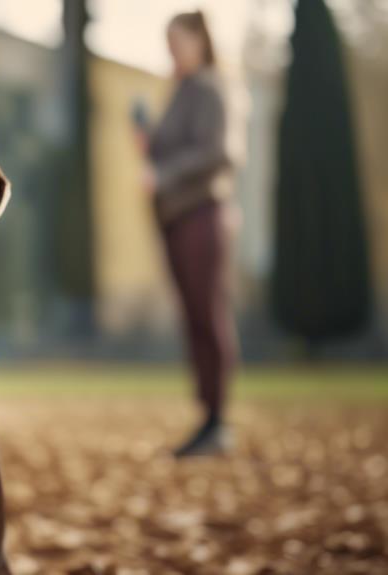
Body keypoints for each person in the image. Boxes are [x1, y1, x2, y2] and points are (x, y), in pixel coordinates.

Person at [136, 10, 239, 457]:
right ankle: (207, 417)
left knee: (207, 315)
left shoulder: (213, 87)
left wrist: (165, 175)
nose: (171, 50)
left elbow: (221, 152)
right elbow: (161, 151)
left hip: (202, 214)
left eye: (177, 41)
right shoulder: (180, 90)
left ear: (200, 40)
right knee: (194, 317)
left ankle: (217, 420)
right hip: (178, 218)